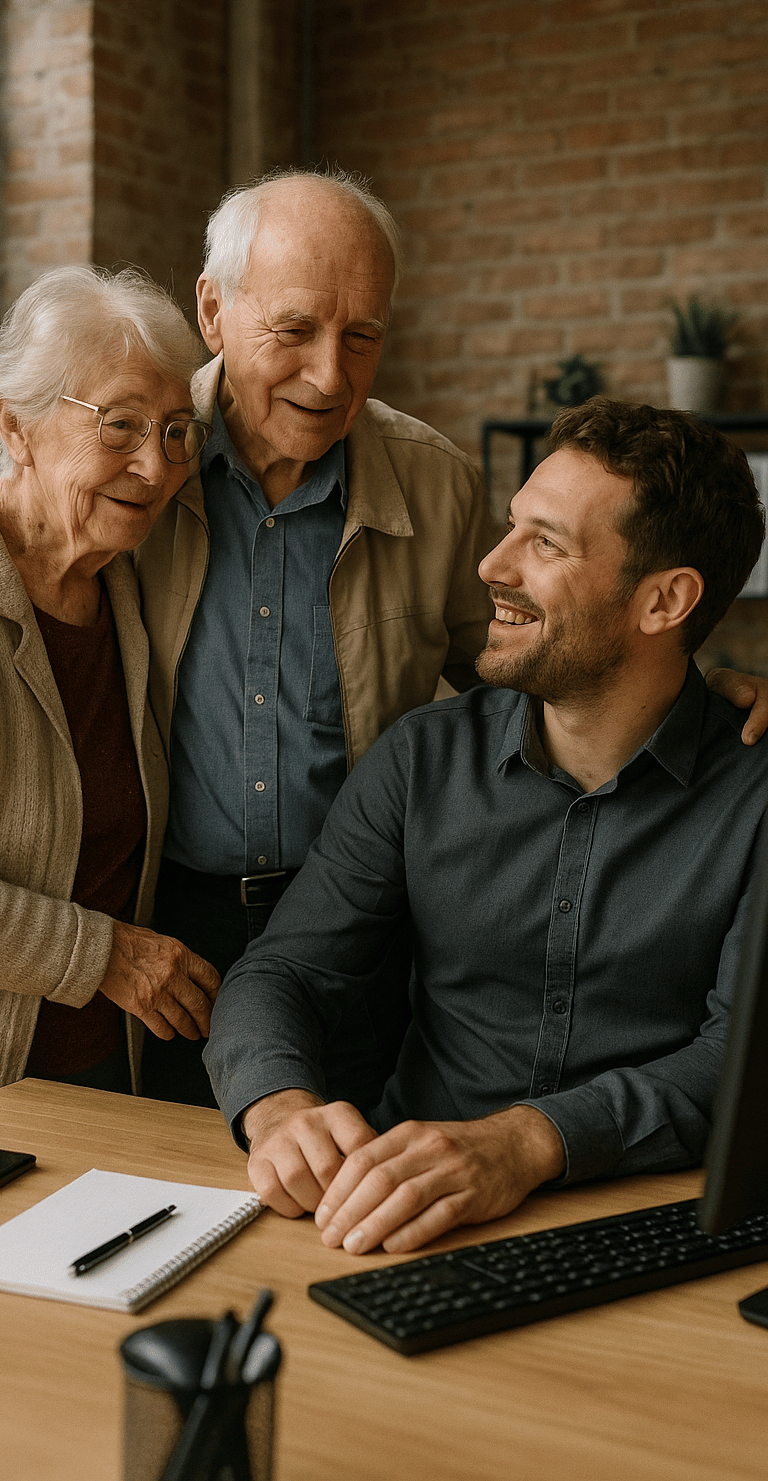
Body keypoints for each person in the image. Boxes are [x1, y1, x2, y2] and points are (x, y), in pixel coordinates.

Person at [204, 397, 768, 1257]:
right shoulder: (422, 759)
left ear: (665, 601)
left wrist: (525, 1143)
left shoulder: (754, 793)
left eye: (547, 544)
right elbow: (283, 970)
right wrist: (279, 1105)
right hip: (393, 1211)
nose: (491, 565)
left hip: (651, 1225)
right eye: (512, 526)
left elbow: (741, 1060)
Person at [135, 167, 499, 1106]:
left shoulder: (438, 483)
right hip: (162, 927)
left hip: (358, 929)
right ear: (213, 312)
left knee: (343, 1171)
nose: (331, 376)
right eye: (293, 331)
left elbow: (520, 670)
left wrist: (687, 692)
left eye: (362, 337)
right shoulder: (137, 463)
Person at [0, 265, 220, 1093]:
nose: (157, 468)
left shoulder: (130, 587)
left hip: (103, 1070)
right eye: (120, 425)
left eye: (175, 432)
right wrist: (103, 956)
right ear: (15, 428)